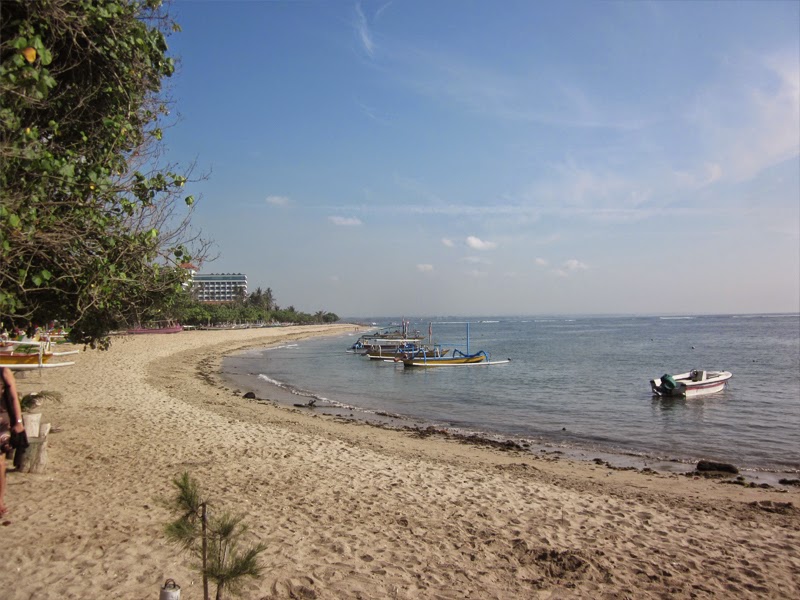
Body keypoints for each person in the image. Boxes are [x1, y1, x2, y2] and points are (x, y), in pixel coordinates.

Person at [1, 366, 26, 517]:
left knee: (0, 462)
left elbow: (13, 397)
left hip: (1, 422)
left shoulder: (3, 372)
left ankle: (0, 500)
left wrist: (18, 421)